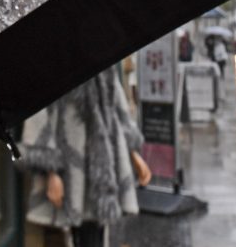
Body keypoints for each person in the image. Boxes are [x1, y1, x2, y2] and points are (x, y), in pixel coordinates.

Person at [19, 66, 152, 247]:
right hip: (72, 168)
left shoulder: (102, 61)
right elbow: (41, 118)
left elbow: (118, 109)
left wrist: (134, 153)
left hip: (105, 167)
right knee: (79, 232)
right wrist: (50, 171)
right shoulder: (55, 64)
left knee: (97, 229)